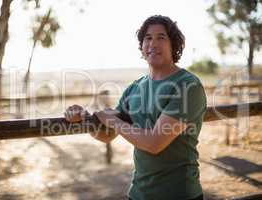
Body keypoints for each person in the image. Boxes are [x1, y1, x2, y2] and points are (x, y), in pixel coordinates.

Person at [65, 15, 207, 200]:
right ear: (142, 45)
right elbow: (107, 135)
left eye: (161, 37)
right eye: (148, 38)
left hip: (179, 193)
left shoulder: (187, 86)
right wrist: (84, 117)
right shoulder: (135, 88)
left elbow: (154, 143)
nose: (153, 43)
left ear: (174, 45)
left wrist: (113, 121)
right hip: (139, 194)